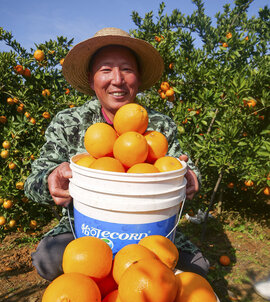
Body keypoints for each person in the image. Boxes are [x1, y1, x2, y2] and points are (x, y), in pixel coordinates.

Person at [24, 27, 209, 281]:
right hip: (85, 225)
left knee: (196, 272)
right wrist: (50, 178)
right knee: (49, 259)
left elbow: (182, 165)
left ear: (139, 79)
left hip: (152, 226)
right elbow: (32, 183)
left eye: (127, 69)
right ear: (91, 79)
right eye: (106, 69)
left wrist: (189, 176)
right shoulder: (69, 122)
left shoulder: (159, 125)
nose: (118, 79)